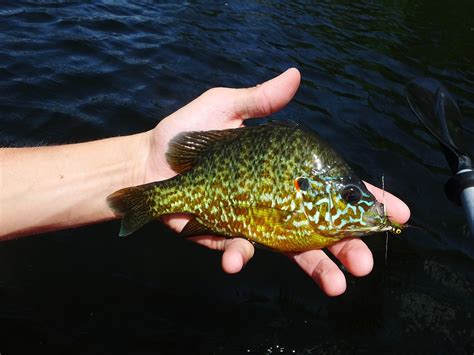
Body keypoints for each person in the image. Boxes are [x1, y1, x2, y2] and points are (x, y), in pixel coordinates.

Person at [0, 68, 410, 296]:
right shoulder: (298, 208)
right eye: (350, 195)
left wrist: (136, 165)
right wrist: (141, 163)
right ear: (306, 191)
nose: (358, 202)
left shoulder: (312, 209)